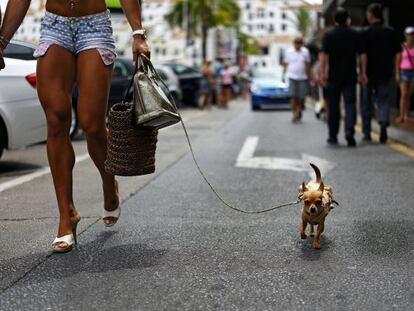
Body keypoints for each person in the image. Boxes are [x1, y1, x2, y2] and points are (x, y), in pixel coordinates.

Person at [0, 0, 150, 253]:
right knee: (56, 120)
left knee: (92, 124)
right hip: (54, 26)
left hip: (94, 26)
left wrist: (138, 33)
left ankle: (108, 182)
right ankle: (66, 215)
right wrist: (2, 41)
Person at [320, 7, 366, 147]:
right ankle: (349, 131)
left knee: (333, 106)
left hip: (333, 76)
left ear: (334, 20)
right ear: (348, 19)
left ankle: (333, 136)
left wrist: (322, 74)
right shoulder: (355, 34)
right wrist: (363, 73)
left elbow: (323, 56)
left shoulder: (329, 35)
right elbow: (362, 55)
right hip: (350, 75)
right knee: (350, 104)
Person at [360, 3, 402, 143]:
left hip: (370, 73)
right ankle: (383, 123)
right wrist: (396, 71)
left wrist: (363, 72)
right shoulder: (390, 31)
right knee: (384, 100)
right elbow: (398, 53)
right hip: (385, 72)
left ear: (371, 15)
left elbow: (363, 54)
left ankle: (367, 133)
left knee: (366, 102)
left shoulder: (365, 32)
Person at [283, 36, 312, 123]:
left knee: (302, 97)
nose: (298, 44)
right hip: (292, 76)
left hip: (302, 77)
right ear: (294, 43)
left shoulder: (305, 52)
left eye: (299, 43)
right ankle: (294, 113)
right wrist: (283, 74)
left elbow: (308, 64)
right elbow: (286, 63)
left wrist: (309, 76)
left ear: (302, 44)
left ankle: (299, 109)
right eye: (296, 42)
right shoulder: (289, 52)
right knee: (293, 96)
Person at [395, 26, 414, 124]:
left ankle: (406, 115)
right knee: (404, 94)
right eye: (409, 34)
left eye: (412, 34)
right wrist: (397, 74)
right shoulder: (402, 47)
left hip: (412, 72)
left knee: (409, 95)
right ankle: (401, 115)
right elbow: (398, 61)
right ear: (405, 35)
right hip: (403, 71)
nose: (411, 36)